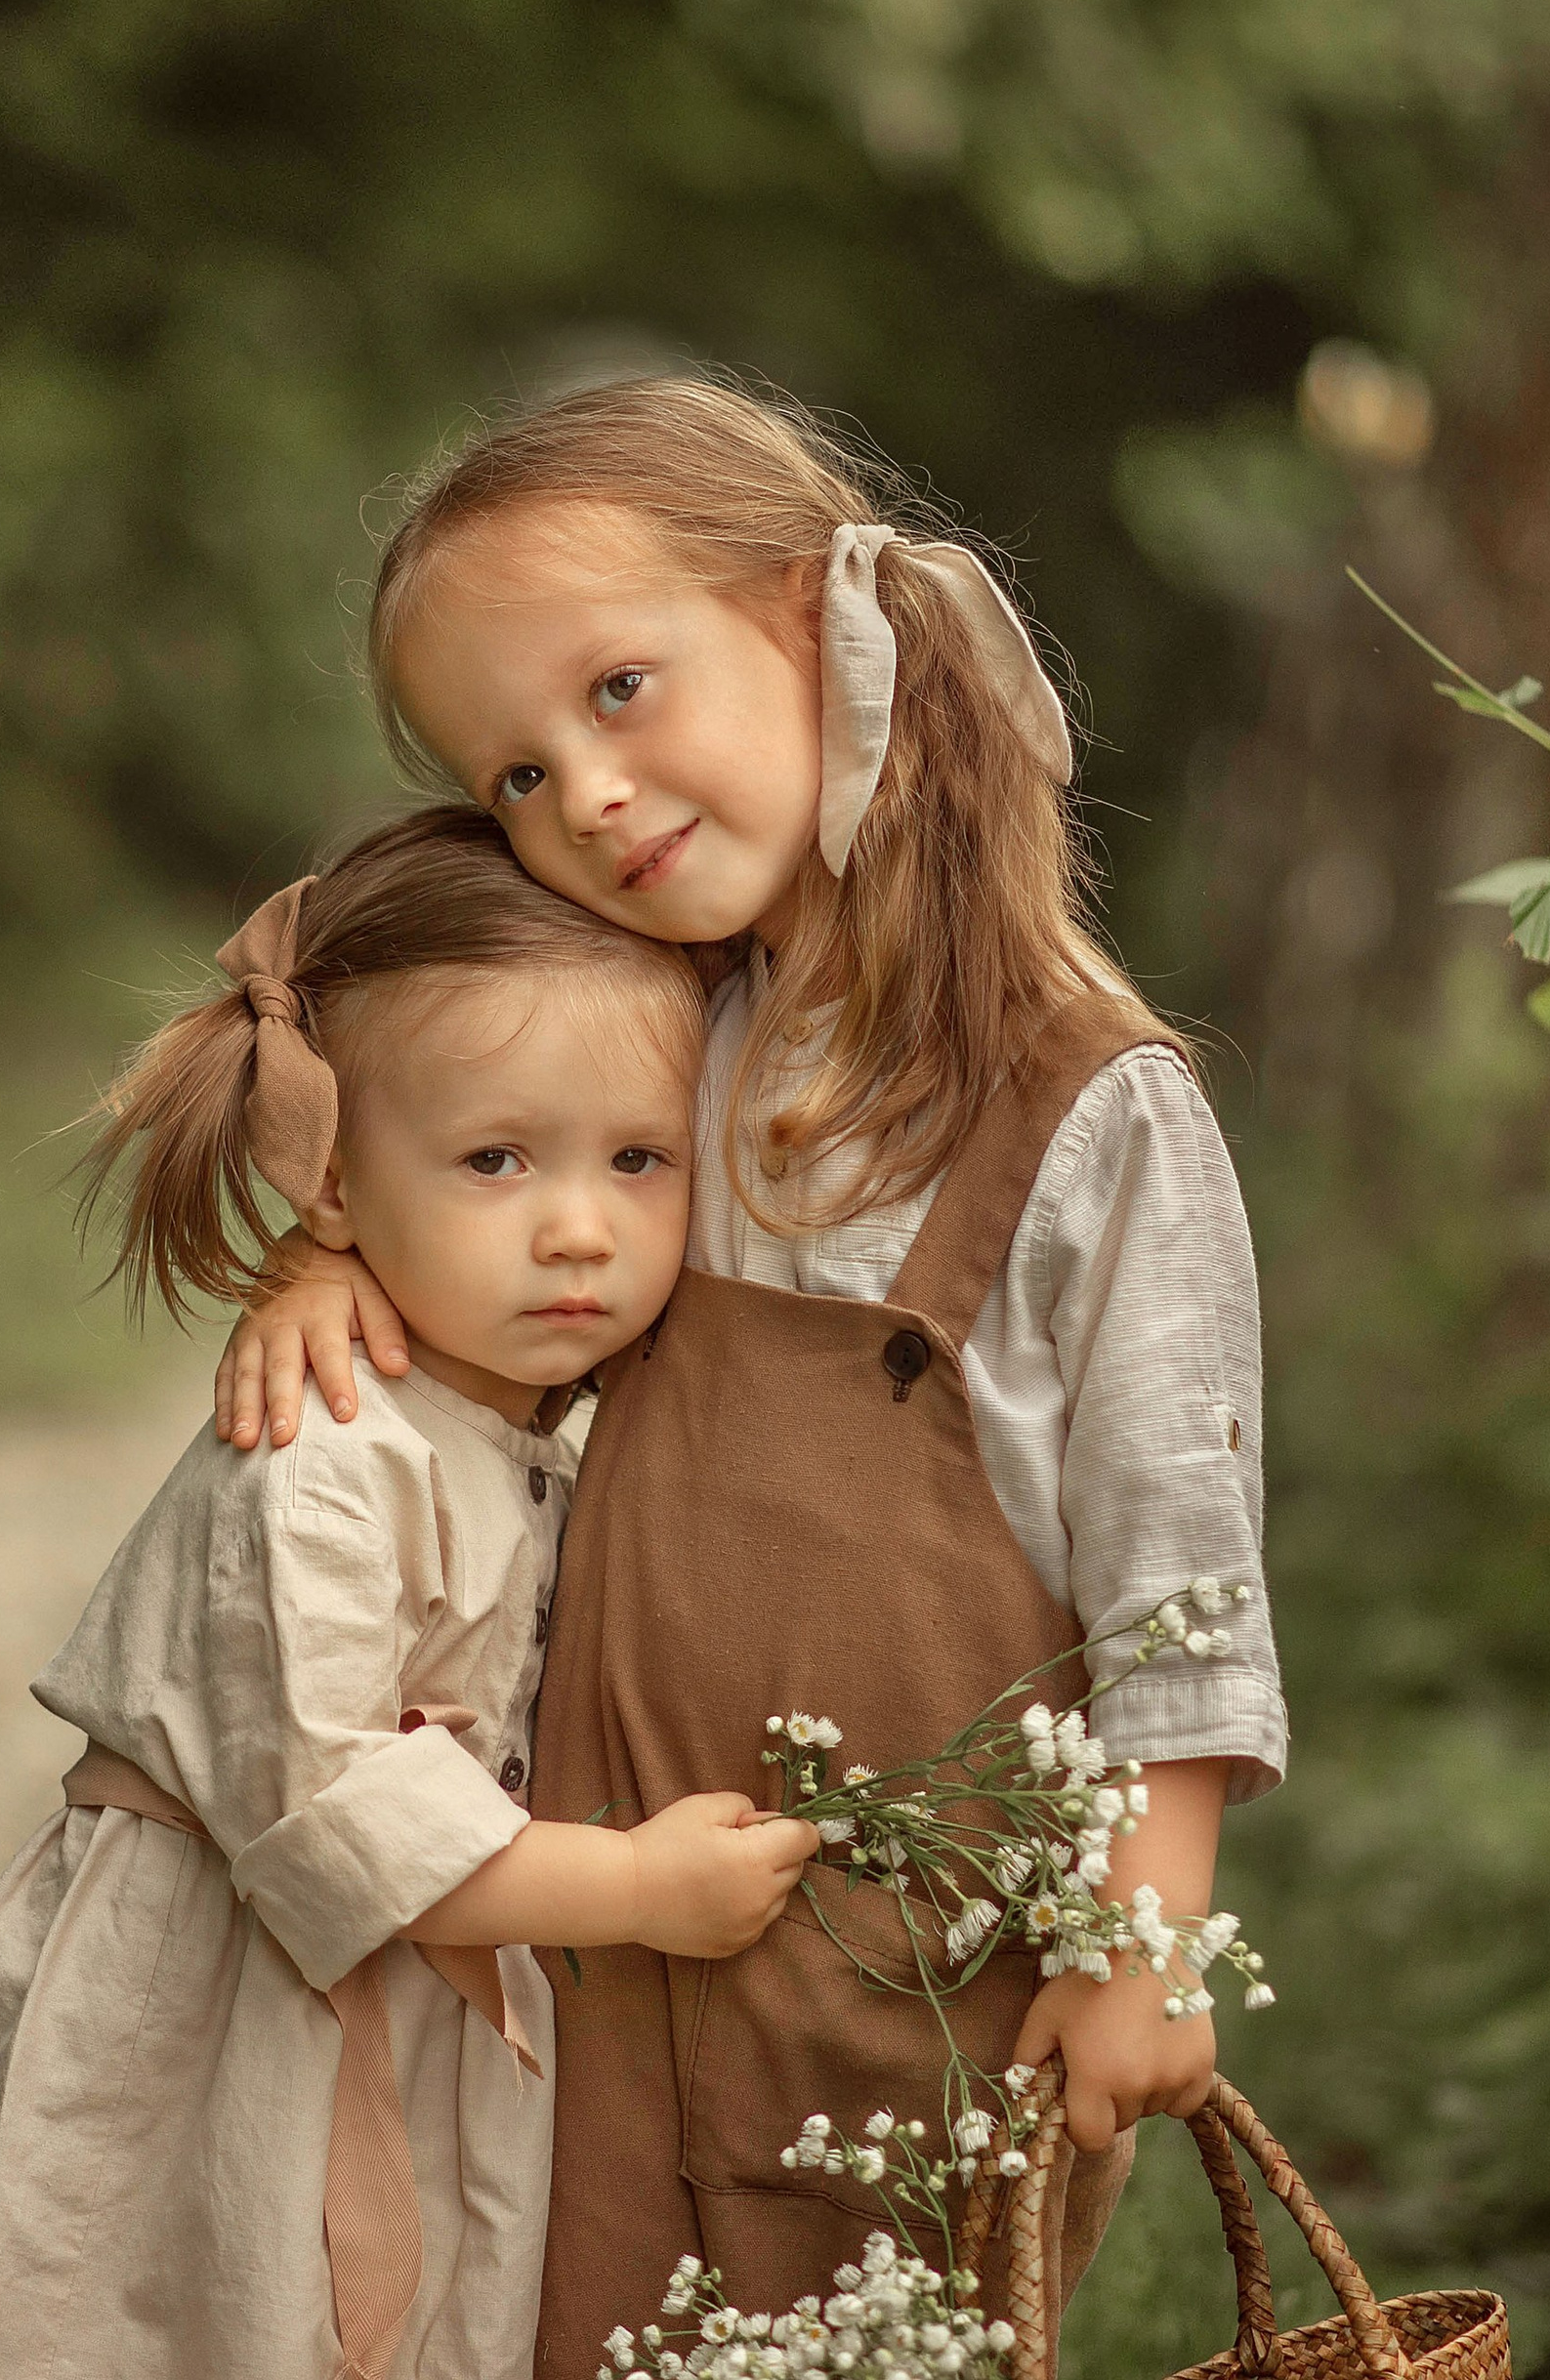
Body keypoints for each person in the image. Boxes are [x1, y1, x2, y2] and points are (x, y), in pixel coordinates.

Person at [212, 376, 1289, 2371]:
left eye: (617, 689)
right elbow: (430, 1118)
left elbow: (1178, 1579)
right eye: (514, 773)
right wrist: (320, 1247)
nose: (582, 793)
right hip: (622, 1916)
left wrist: (1139, 1942)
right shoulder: (655, 1046)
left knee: (878, 2327)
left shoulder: (1085, 1101)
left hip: (913, 1949)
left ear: (815, 616)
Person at [0, 804, 821, 2380]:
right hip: (206, 2024)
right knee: (133, 2320)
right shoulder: (324, 1456)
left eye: (640, 1159)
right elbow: (336, 1813)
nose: (581, 1227)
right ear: (330, 1183)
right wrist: (637, 1894)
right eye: (494, 1160)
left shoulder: (549, 1407)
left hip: (376, 2001)